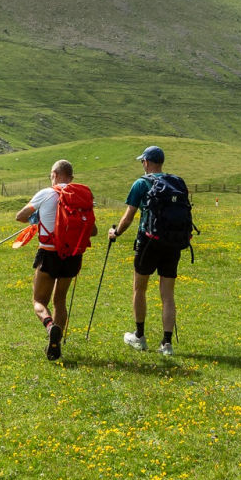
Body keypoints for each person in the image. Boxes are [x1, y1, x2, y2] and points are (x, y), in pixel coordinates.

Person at [15, 159, 96, 361]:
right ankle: (55, 343)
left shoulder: (46, 193)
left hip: (49, 253)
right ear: (71, 177)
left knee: (38, 300)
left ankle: (50, 326)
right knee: (60, 300)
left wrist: (37, 217)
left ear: (55, 174)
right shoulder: (81, 196)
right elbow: (92, 230)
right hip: (73, 256)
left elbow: (20, 216)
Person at [106, 145, 183, 356]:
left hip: (148, 241)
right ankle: (166, 344)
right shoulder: (176, 182)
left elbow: (128, 216)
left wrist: (116, 233)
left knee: (139, 288)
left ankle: (139, 336)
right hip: (173, 242)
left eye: (143, 161)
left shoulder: (141, 183)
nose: (142, 164)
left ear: (147, 162)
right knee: (167, 294)